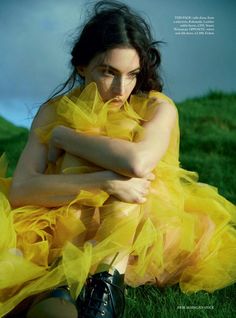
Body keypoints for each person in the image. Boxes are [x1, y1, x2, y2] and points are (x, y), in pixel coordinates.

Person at [0, 1, 236, 317]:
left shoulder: (157, 108)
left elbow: (138, 164)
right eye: (108, 72)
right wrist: (106, 182)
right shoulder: (54, 111)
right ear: (82, 66)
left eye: (132, 74)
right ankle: (63, 290)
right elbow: (22, 188)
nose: (120, 89)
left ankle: (103, 289)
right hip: (63, 222)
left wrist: (65, 138)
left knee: (129, 197)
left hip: (139, 223)